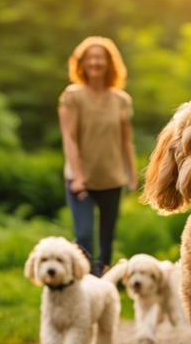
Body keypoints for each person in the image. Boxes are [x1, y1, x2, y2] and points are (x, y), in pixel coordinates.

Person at [58, 36, 138, 275]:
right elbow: (69, 137)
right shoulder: (72, 96)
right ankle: (82, 286)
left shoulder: (121, 100)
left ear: (109, 63)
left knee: (106, 241)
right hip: (80, 180)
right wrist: (79, 176)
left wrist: (132, 175)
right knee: (83, 237)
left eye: (100, 58)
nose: (95, 62)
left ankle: (103, 290)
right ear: (82, 63)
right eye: (90, 57)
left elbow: (126, 141)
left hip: (112, 179)